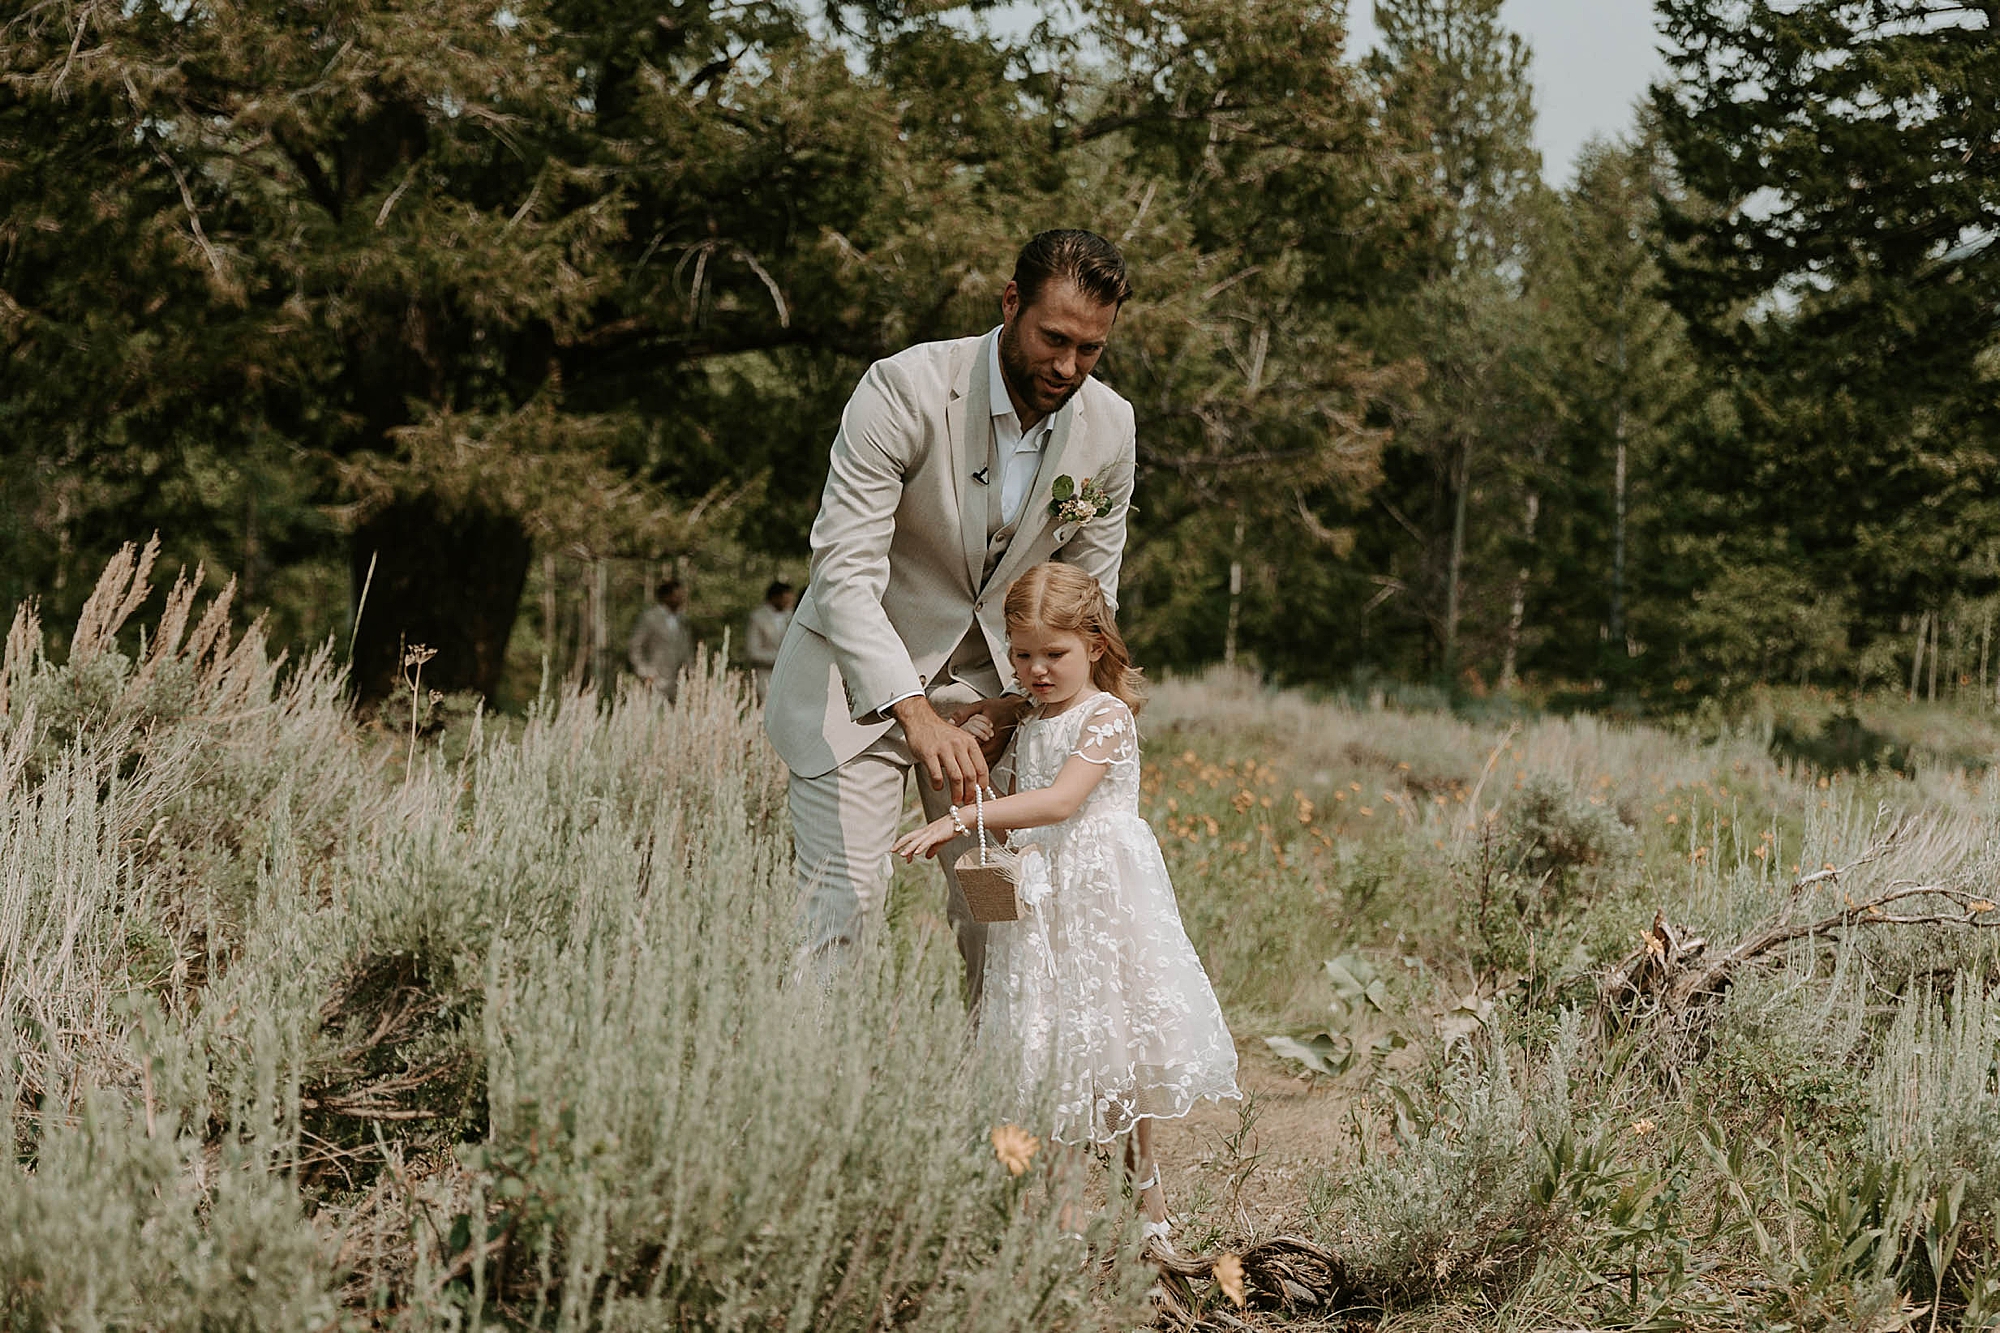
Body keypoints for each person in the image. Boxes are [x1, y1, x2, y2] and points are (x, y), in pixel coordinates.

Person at [764, 230, 1138, 1004]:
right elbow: (842, 568)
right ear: (1010, 304)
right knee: (842, 912)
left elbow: (1089, 598)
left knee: (1002, 917)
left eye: (1090, 350)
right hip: (852, 688)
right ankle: (803, 1113)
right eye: (1054, 338)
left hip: (996, 706)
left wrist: (1022, 710)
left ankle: (991, 1118)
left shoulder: (1110, 430)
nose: (1068, 367)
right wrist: (915, 713)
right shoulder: (901, 389)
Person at [891, 563, 1239, 1251]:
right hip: (1047, 900)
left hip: (1103, 898)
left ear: (1096, 645)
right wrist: (992, 741)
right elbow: (1024, 806)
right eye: (1022, 654)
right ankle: (1063, 1221)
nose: (1037, 669)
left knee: (1116, 1056)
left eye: (1055, 653)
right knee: (1053, 1049)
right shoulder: (1031, 718)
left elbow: (1061, 800)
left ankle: (1153, 1219)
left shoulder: (1106, 716)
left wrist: (964, 818)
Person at [629, 579, 694, 702]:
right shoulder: (649, 618)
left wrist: (691, 672)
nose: (680, 599)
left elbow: (687, 649)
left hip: (678, 682)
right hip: (655, 679)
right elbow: (635, 646)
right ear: (666, 597)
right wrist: (644, 672)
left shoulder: (683, 620)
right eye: (677, 595)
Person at [745, 580, 795, 703]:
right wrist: (781, 657)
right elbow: (753, 652)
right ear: (775, 597)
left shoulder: (792, 616)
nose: (789, 602)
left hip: (789, 680)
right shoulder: (757, 617)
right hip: (765, 678)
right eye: (786, 599)